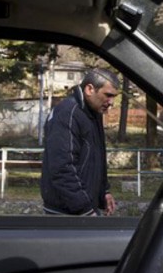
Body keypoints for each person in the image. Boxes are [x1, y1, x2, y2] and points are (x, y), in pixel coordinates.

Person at [40, 68, 119, 216]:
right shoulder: (67, 114)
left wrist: (104, 192)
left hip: (83, 207)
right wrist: (84, 209)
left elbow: (96, 159)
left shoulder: (92, 113)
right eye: (108, 95)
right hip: (66, 213)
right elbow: (62, 167)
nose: (111, 102)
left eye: (113, 97)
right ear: (90, 89)